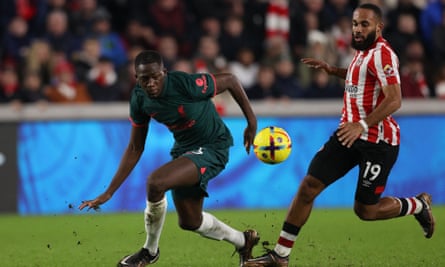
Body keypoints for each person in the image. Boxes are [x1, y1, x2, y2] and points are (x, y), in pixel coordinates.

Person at [244, 4, 435, 267]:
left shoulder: (384, 54)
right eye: (355, 23)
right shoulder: (360, 52)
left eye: (364, 24)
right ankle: (280, 255)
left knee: (365, 211)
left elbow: (394, 100)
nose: (358, 29)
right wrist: (334, 71)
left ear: (378, 27)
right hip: (347, 134)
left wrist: (363, 125)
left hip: (377, 141)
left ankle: (418, 205)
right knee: (309, 186)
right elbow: (362, 76)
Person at [78, 50, 259, 267]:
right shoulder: (139, 99)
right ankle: (243, 240)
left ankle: (149, 251)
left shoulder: (184, 83)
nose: (151, 83)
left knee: (156, 182)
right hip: (185, 150)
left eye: (156, 77)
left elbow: (230, 79)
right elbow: (136, 147)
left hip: (214, 146)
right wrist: (109, 192)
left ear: (164, 72)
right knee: (191, 221)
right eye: (145, 79)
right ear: (137, 77)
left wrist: (251, 121)